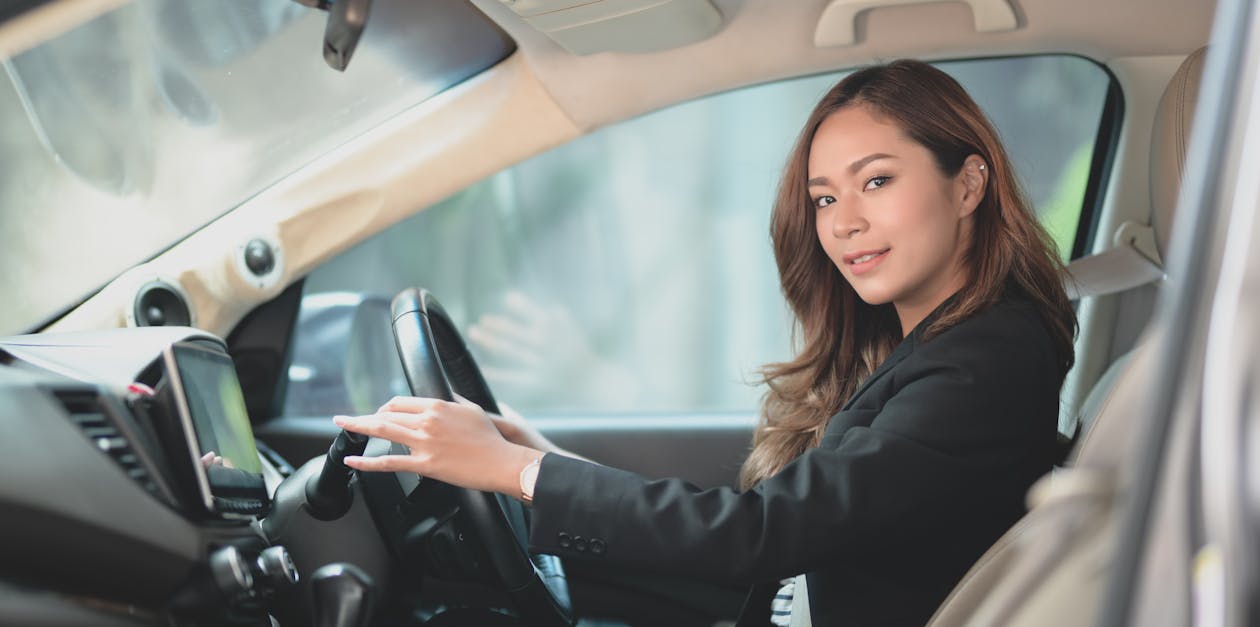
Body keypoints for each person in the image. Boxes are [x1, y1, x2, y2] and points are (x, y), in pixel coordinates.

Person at [332, 59, 1076, 626]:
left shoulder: (987, 361)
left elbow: (763, 535)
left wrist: (519, 470)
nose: (842, 221)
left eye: (876, 181)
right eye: (823, 197)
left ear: (969, 184)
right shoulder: (932, 349)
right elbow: (776, 547)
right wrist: (541, 459)